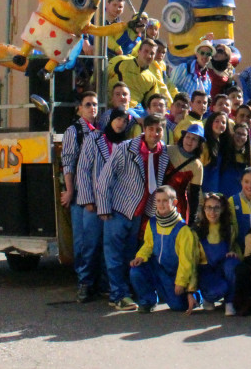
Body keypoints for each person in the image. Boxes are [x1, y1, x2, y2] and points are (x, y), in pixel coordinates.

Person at [96, 114, 170, 311]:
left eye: (159, 129)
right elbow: (105, 178)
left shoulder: (163, 153)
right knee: (113, 254)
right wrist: (103, 207)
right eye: (151, 129)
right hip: (118, 209)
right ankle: (118, 295)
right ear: (144, 129)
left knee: (129, 253)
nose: (155, 133)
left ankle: (125, 290)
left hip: (139, 212)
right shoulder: (126, 148)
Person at [75, 106, 131, 303]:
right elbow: (83, 170)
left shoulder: (127, 144)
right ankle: (85, 283)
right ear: (109, 120)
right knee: (90, 245)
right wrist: (87, 199)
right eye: (117, 119)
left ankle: (108, 285)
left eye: (124, 121)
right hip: (95, 203)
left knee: (113, 248)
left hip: (117, 205)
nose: (120, 123)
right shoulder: (95, 139)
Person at [129, 186, 200, 313]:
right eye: (158, 201)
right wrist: (140, 256)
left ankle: (195, 296)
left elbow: (187, 261)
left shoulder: (182, 230)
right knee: (136, 271)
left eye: (165, 201)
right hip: (157, 268)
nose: (161, 204)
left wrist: (181, 282)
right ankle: (147, 301)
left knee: (178, 306)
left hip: (173, 274)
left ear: (174, 202)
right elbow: (148, 245)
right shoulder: (152, 223)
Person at [62, 91, 99, 301]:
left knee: (94, 241)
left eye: (94, 104)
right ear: (79, 108)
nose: (92, 108)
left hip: (98, 195)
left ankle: (94, 282)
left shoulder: (101, 130)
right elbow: (68, 163)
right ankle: (83, 282)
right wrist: (69, 191)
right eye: (88, 105)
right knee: (82, 242)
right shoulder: (73, 131)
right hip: (79, 195)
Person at [194, 193, 241, 316]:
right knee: (218, 289)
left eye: (216, 208)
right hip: (206, 270)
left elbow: (235, 246)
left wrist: (234, 253)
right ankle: (208, 298)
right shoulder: (196, 230)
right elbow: (190, 260)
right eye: (209, 207)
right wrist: (190, 290)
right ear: (203, 209)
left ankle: (229, 302)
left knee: (233, 264)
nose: (212, 212)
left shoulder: (229, 228)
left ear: (222, 209)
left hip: (222, 267)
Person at [108, 39, 169, 109]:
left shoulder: (152, 79)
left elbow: (152, 102)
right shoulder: (121, 62)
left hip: (135, 111)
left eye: (152, 53)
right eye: (146, 51)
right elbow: (100, 77)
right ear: (139, 51)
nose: (149, 56)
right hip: (113, 107)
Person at [164, 124, 205, 223]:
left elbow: (194, 195)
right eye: (188, 137)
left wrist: (191, 220)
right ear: (183, 137)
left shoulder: (197, 166)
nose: (189, 141)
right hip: (158, 198)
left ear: (199, 143)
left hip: (178, 206)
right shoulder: (167, 150)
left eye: (194, 139)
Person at [200, 111, 238, 197]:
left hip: (217, 194)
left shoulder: (223, 145)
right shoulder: (204, 145)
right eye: (217, 121)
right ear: (210, 122)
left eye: (223, 122)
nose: (220, 124)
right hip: (205, 194)